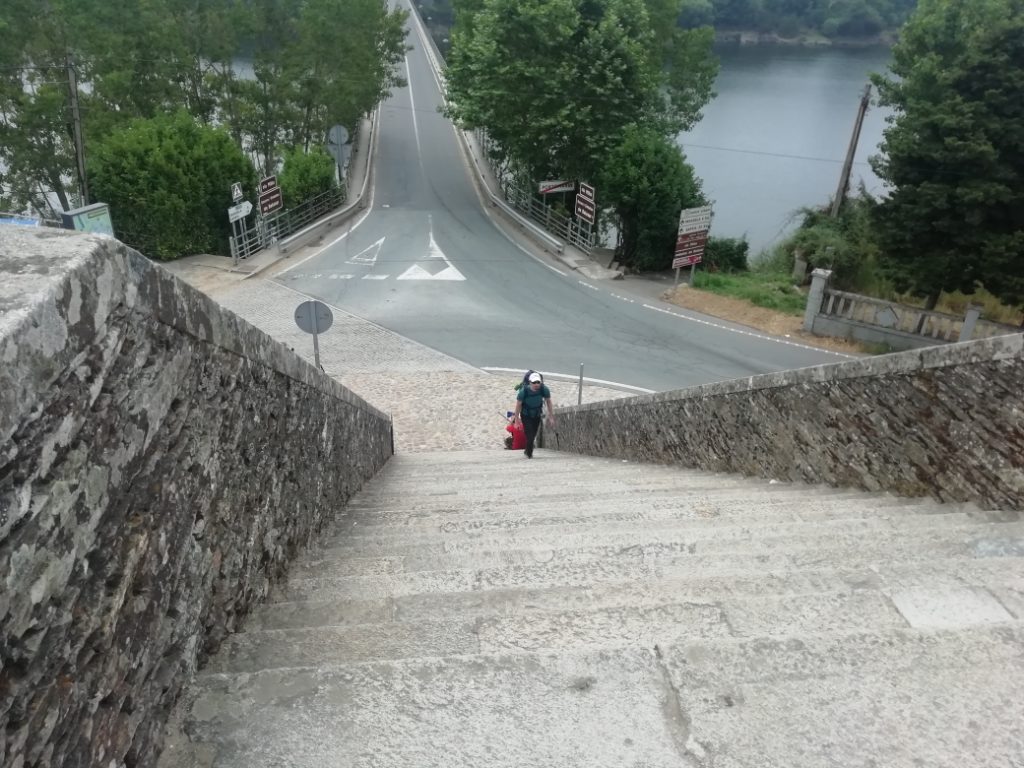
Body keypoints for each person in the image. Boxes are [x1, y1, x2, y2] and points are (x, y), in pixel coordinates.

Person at [512, 372, 554, 458]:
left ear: (541, 382)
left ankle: (527, 451)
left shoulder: (544, 389)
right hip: (526, 415)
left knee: (533, 435)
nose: (536, 384)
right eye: (534, 382)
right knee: (530, 436)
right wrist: (516, 420)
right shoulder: (523, 391)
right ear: (530, 382)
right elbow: (518, 405)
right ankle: (529, 454)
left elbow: (548, 401)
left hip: (537, 415)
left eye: (538, 382)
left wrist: (551, 416)